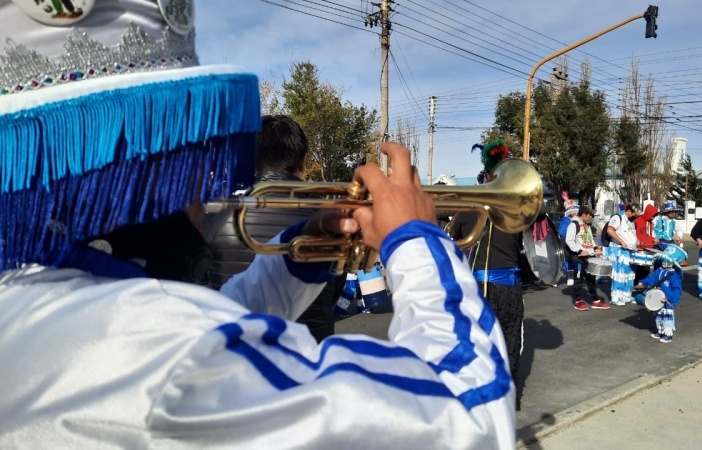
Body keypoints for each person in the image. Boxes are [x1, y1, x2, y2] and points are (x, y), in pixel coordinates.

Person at [0, 4, 515, 447]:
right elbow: (465, 417)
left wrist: (302, 251)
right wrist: (417, 239)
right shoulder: (162, 355)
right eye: (191, 157)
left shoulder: (34, 298)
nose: (205, 186)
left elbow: (214, 322)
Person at [206, 115, 345, 342]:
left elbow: (203, 289)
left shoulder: (218, 213)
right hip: (311, 356)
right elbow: (334, 289)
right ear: (303, 162)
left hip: (238, 357)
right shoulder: (328, 217)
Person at [449, 139, 524, 393]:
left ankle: (476, 394)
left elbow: (454, 241)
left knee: (475, 341)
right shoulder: (516, 208)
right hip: (508, 289)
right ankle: (507, 396)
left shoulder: (468, 206)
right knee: (509, 340)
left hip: (474, 289)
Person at [633, 244, 687, 343]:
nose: (665, 262)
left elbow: (677, 290)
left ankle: (667, 334)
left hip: (667, 300)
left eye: (667, 260)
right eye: (664, 260)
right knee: (659, 315)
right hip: (658, 297)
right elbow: (651, 278)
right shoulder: (660, 270)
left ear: (673, 262)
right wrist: (643, 282)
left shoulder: (674, 275)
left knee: (667, 316)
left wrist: (669, 297)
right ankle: (660, 331)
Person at [563, 206, 610, 311]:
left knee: (591, 279)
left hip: (589, 256)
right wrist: (579, 251)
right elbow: (569, 240)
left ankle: (595, 300)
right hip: (579, 257)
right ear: (583, 214)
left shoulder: (587, 226)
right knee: (578, 279)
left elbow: (590, 241)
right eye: (590, 215)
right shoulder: (573, 225)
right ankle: (578, 300)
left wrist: (595, 248)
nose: (591, 217)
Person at [604, 204, 640, 305]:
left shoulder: (631, 222)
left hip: (630, 251)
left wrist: (637, 241)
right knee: (619, 274)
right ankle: (616, 297)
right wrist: (621, 241)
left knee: (629, 274)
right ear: (629, 211)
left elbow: (630, 234)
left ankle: (626, 296)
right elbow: (610, 230)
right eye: (634, 213)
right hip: (619, 251)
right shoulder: (617, 217)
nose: (635, 216)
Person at [633, 203, 660, 284]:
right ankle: (637, 286)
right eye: (652, 215)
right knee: (639, 270)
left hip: (648, 249)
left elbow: (648, 234)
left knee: (646, 270)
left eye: (654, 215)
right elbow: (635, 233)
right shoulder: (638, 220)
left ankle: (642, 287)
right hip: (639, 249)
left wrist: (653, 239)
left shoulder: (650, 223)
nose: (653, 217)